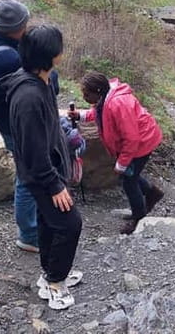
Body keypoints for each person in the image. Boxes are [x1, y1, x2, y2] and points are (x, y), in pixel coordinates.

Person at [1, 25, 83, 310]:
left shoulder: (42, 81)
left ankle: (49, 273)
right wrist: (54, 184)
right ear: (50, 55)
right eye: (59, 47)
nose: (63, 50)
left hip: (51, 166)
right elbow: (33, 150)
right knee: (70, 224)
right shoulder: (29, 97)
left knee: (50, 221)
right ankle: (55, 284)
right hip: (42, 174)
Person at [69, 71, 164, 235]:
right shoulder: (105, 98)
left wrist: (122, 163)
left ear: (98, 91)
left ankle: (139, 216)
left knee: (128, 181)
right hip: (138, 141)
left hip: (143, 141)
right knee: (129, 175)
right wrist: (81, 115)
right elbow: (101, 113)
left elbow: (132, 138)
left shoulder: (118, 104)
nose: (84, 97)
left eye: (86, 94)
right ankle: (152, 193)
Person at [0, 0, 39, 252]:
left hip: (8, 120)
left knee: (28, 173)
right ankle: (29, 235)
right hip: (17, 125)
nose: (27, 26)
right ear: (15, 28)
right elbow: (42, 83)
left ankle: (33, 225)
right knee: (27, 178)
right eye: (24, 23)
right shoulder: (8, 58)